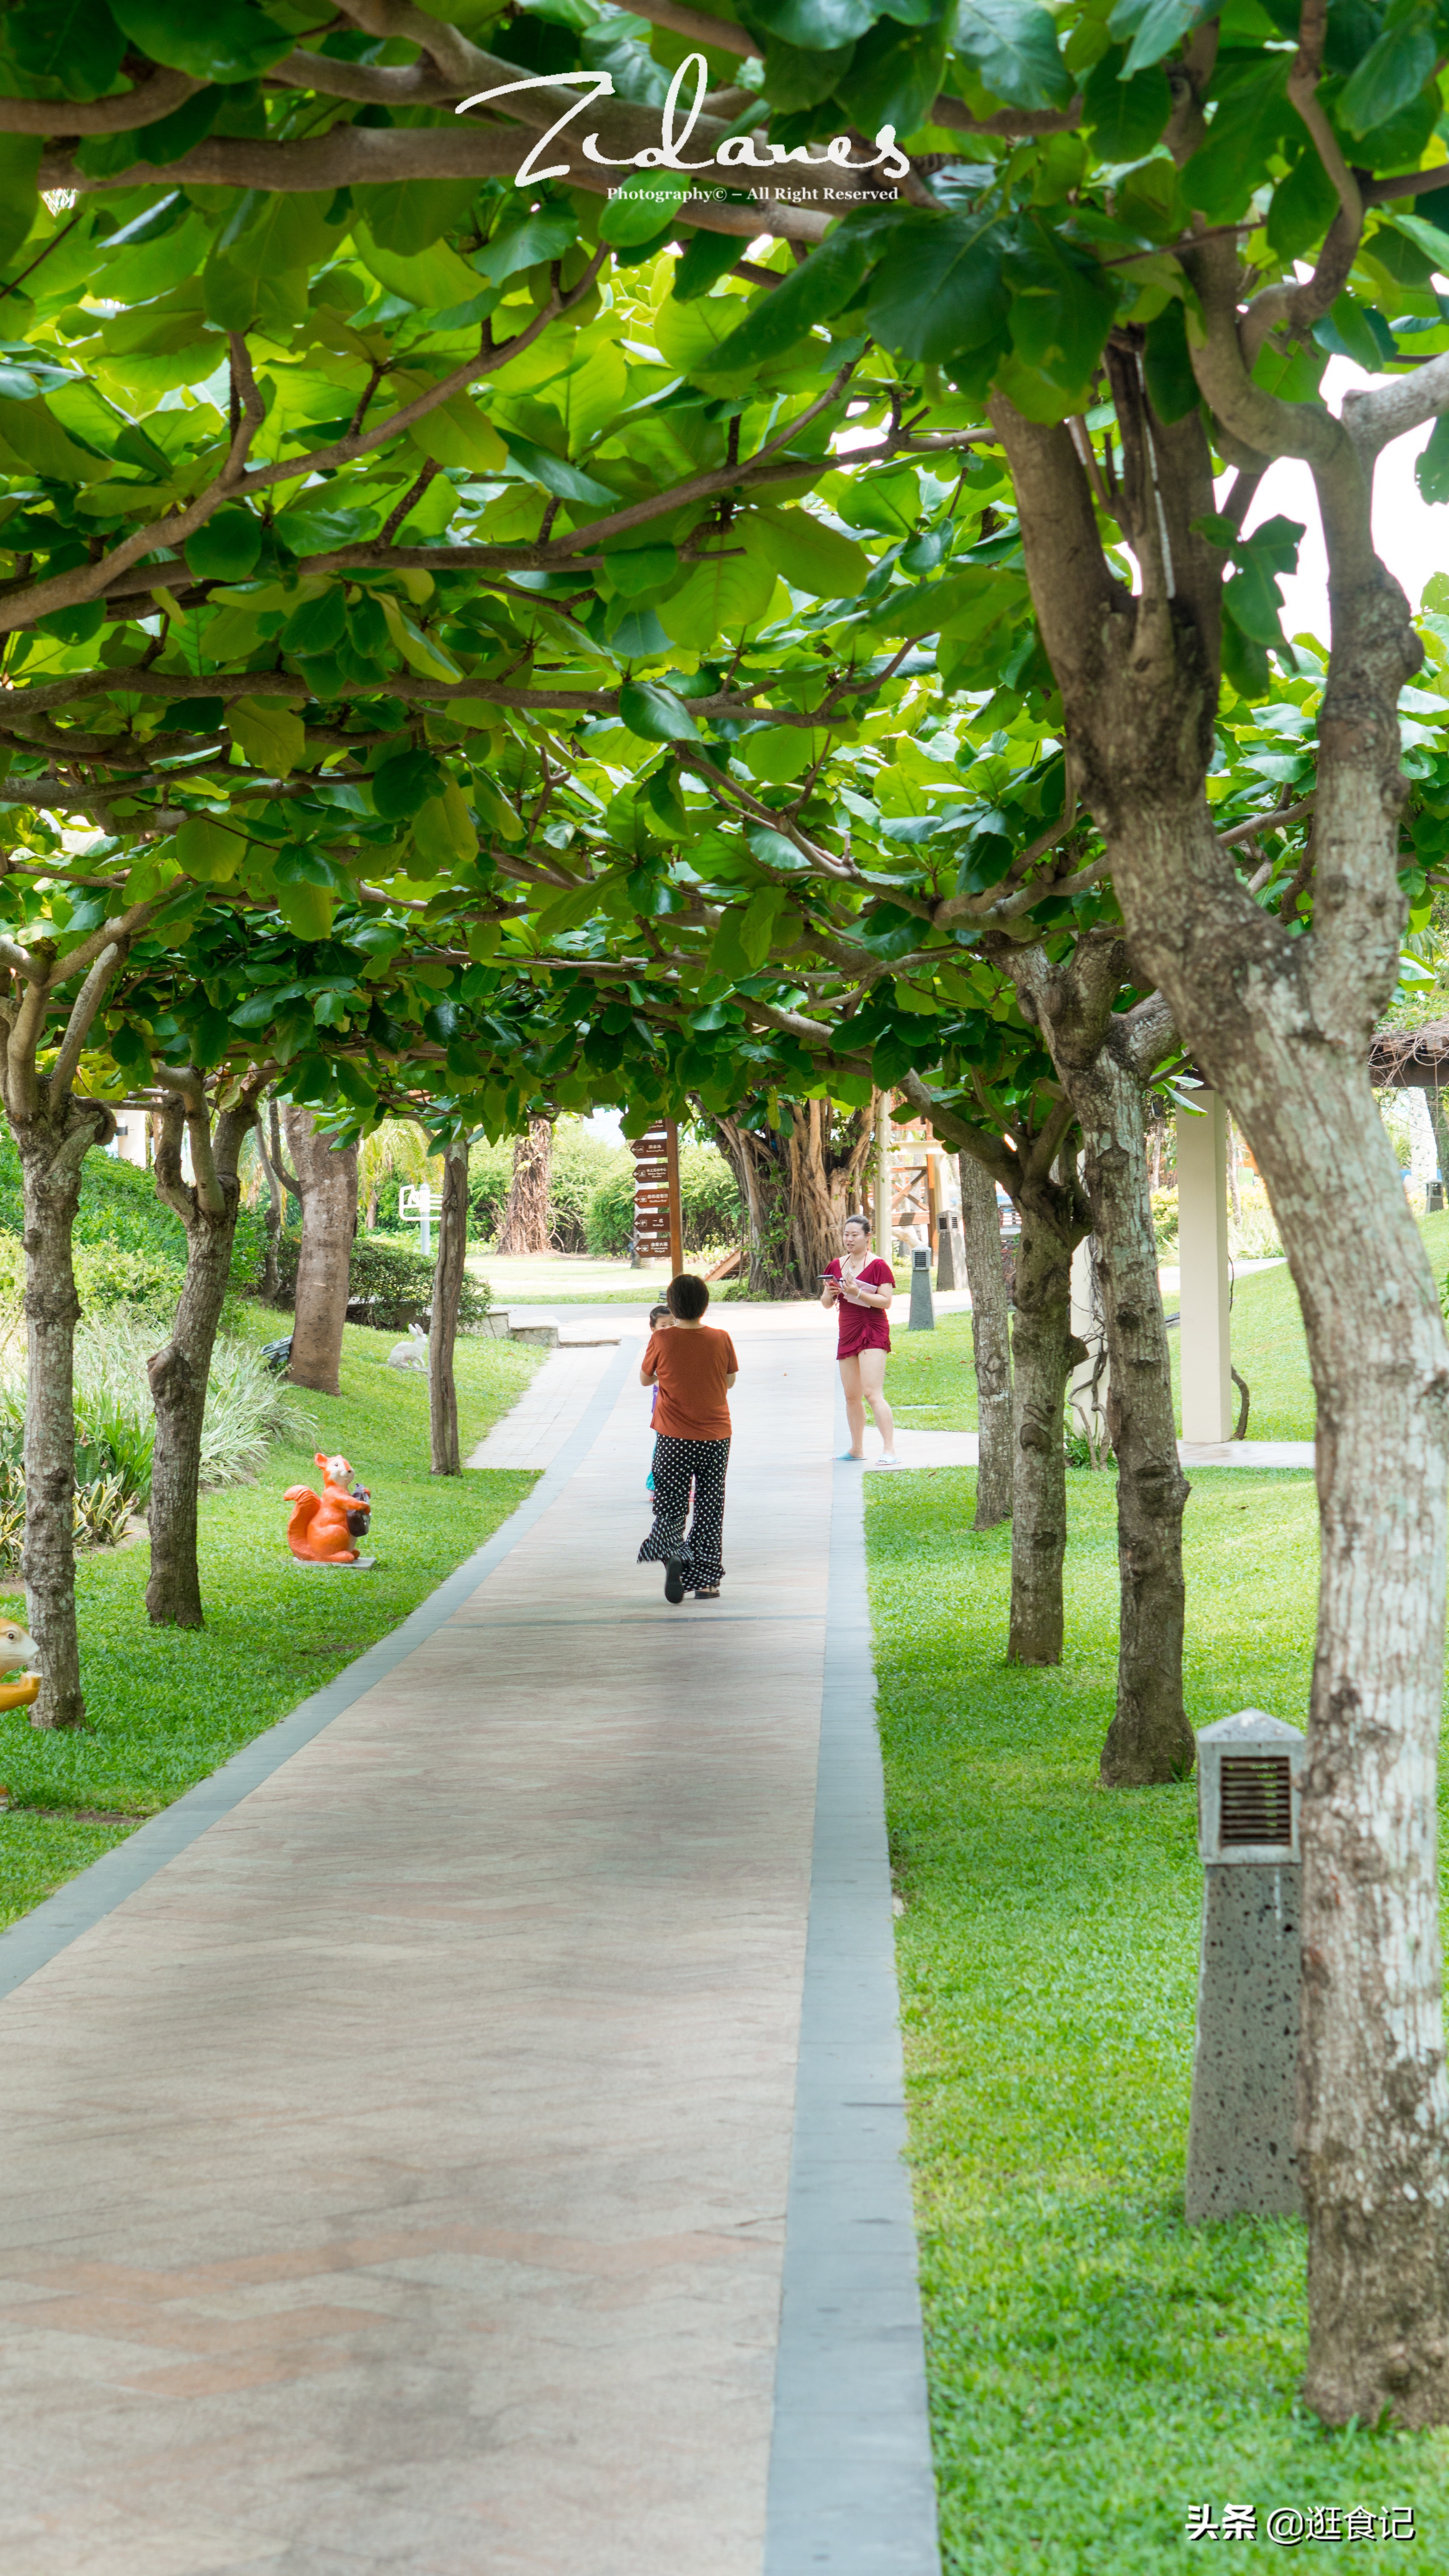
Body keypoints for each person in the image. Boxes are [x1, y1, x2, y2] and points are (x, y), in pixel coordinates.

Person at [637, 1273, 737, 1603]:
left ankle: (673, 1553)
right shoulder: (721, 1338)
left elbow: (645, 1379)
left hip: (673, 1436)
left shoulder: (661, 1340)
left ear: (674, 1306)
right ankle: (707, 1583)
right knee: (710, 1506)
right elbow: (730, 1382)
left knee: (670, 1503)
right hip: (715, 1435)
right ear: (704, 1305)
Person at [822, 1214, 901, 1466]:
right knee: (851, 1394)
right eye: (846, 1234)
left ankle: (890, 1450)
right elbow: (826, 1304)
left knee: (872, 1392)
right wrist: (828, 1292)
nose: (849, 1239)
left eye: (855, 1235)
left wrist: (858, 1293)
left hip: (872, 1327)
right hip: (847, 1328)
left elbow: (886, 1301)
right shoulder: (836, 1265)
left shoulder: (879, 1265)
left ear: (868, 1237)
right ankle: (857, 1448)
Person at [644, 1301, 670, 1492]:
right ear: (653, 1329)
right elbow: (647, 1377)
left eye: (673, 1324)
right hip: (662, 1407)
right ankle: (655, 1484)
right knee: (662, 1447)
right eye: (663, 1326)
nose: (669, 1329)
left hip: (679, 1405)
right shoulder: (656, 1345)